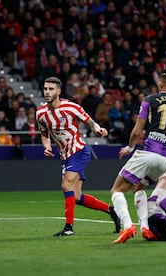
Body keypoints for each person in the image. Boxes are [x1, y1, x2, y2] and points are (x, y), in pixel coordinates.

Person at [110, 70, 166, 244]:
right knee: (138, 186)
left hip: (148, 152)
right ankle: (145, 227)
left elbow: (137, 130)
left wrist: (130, 147)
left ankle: (127, 226)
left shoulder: (150, 100)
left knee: (117, 190)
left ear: (160, 84)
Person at [36, 77, 120, 236]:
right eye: (45, 89)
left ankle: (68, 228)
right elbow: (44, 134)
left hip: (79, 152)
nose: (47, 92)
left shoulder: (71, 107)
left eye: (51, 89)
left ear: (58, 91)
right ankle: (111, 211)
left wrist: (98, 129)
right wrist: (46, 146)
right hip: (65, 156)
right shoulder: (40, 113)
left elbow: (89, 121)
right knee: (76, 196)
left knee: (66, 186)